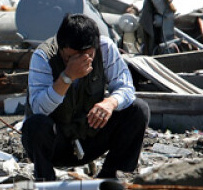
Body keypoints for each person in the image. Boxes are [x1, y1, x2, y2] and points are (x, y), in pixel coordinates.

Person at [22, 13, 150, 181]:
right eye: (70, 58)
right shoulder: (43, 56)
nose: (80, 62)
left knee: (138, 109)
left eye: (87, 56)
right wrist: (67, 77)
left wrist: (110, 102)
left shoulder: (105, 48)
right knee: (36, 124)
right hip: (55, 142)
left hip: (89, 136)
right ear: (61, 48)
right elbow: (39, 108)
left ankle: (111, 175)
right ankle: (46, 180)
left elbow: (126, 87)